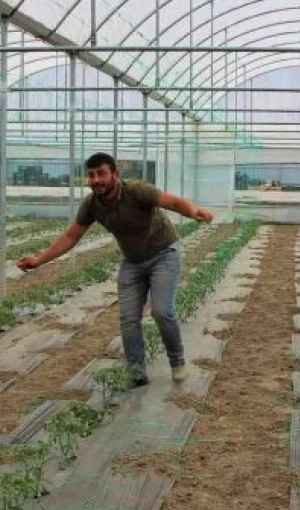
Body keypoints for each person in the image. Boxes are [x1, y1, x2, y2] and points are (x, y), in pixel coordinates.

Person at [17, 153, 214, 386]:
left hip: (163, 255)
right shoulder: (91, 205)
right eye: (91, 175)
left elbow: (171, 201)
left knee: (162, 312)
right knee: (128, 318)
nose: (96, 179)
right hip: (132, 261)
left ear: (115, 175)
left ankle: (177, 361)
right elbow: (71, 236)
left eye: (101, 173)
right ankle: (136, 372)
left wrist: (192, 211)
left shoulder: (137, 191)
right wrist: (40, 260)